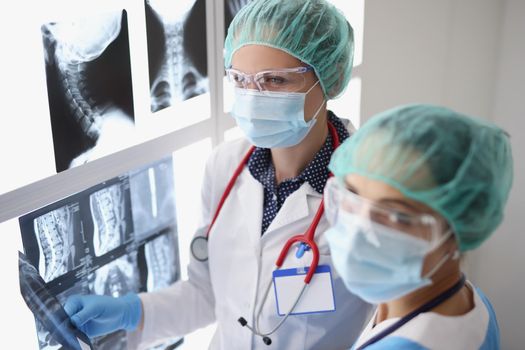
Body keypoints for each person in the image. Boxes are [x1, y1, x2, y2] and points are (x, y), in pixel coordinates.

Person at [64, 1, 372, 349]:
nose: (254, 97)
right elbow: (208, 295)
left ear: (327, 78)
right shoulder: (224, 167)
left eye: (274, 79)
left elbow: (397, 310)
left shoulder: (369, 192)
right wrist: (131, 311)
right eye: (240, 80)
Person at [323, 104, 513, 349]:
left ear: (459, 228)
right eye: (352, 195)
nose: (359, 231)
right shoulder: (471, 301)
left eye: (397, 215)